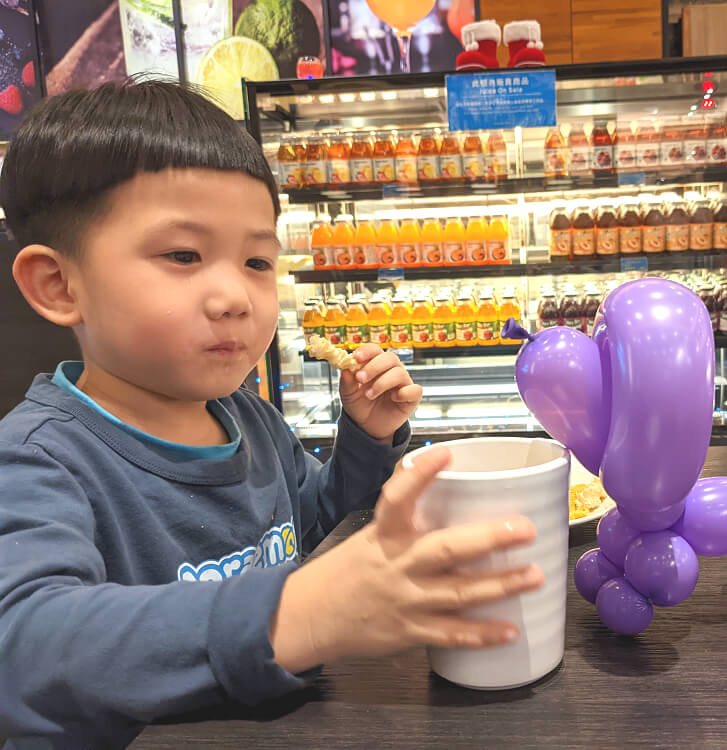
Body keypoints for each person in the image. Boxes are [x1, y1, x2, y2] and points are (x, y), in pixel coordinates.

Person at [0, 81, 543, 748]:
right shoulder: (37, 456)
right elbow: (25, 644)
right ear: (59, 284)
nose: (234, 295)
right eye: (182, 255)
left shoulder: (246, 418)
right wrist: (292, 613)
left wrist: (368, 439)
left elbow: (314, 521)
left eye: (257, 260)